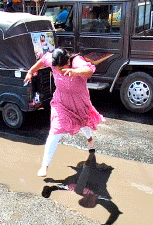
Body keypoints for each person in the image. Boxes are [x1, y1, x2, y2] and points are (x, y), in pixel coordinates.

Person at [24, 48, 104, 177]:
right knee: (55, 130)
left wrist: (76, 72)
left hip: (79, 102)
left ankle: (89, 139)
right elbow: (42, 61)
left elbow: (89, 71)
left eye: (61, 69)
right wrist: (30, 71)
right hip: (61, 102)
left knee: (83, 123)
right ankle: (45, 165)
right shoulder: (53, 61)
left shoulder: (76, 61)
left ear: (68, 62)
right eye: (57, 69)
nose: (59, 71)